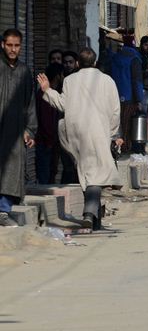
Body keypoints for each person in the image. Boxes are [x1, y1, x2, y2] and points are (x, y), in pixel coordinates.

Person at [38, 48, 122, 230]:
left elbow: (62, 105)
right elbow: (116, 111)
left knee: (88, 173)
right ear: (95, 62)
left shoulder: (69, 80)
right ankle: (89, 213)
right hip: (99, 132)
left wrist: (47, 91)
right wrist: (112, 133)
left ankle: (94, 219)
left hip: (75, 134)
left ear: (77, 64)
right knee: (94, 175)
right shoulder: (108, 81)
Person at [0, 29, 36, 226]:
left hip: (15, 130)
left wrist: (30, 130)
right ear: (3, 45)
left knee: (12, 170)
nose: (13, 49)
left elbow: (30, 103)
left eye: (16, 46)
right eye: (9, 45)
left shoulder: (24, 71)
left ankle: (4, 210)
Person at [110, 35, 145, 153]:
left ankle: (117, 146)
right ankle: (126, 147)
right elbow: (137, 81)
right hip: (130, 96)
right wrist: (140, 99)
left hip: (115, 95)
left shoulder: (115, 57)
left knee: (117, 123)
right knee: (128, 124)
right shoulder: (134, 59)